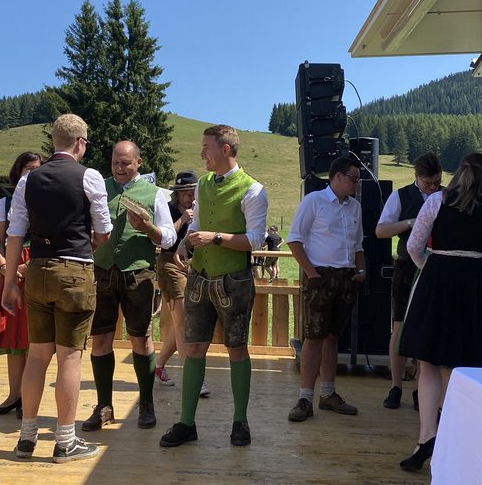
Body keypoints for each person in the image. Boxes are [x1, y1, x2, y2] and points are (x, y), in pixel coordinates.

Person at [2, 114, 112, 462]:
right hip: (75, 271)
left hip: (37, 270)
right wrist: (91, 240)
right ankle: (65, 441)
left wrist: (9, 283)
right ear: (79, 142)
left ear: (54, 141)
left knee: (37, 355)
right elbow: (104, 231)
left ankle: (26, 438)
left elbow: (15, 234)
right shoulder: (89, 176)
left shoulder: (28, 180)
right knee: (69, 357)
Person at [159, 124, 268, 448]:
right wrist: (184, 245)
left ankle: (240, 422)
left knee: (237, 349)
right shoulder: (204, 184)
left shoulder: (253, 190)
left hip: (234, 281)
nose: (201, 153)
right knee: (193, 348)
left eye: (206, 147)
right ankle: (186, 423)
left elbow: (255, 240)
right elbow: (197, 223)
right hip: (199, 278)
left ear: (225, 149)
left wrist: (215, 238)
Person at [82, 140, 176, 433]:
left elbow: (169, 237)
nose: (119, 168)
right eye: (115, 163)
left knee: (141, 339)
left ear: (138, 162)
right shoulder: (98, 189)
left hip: (138, 274)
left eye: (125, 163)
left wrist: (148, 228)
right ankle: (104, 406)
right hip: (102, 272)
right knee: (100, 340)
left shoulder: (154, 194)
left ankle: (146, 404)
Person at [398, 152, 482, 471]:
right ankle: (462, 441)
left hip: (437, 282)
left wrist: (431, 270)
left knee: (429, 362)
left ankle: (426, 437)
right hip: (475, 286)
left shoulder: (436, 201)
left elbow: (413, 246)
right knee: (467, 366)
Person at [286, 157, 365, 423]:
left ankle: (328, 394)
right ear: (338, 176)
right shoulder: (314, 201)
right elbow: (294, 240)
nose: (356, 184)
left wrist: (361, 272)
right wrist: (312, 274)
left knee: (332, 337)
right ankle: (305, 398)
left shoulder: (355, 207)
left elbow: (358, 245)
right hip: (321, 276)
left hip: (346, 279)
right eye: (354, 178)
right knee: (313, 337)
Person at [375, 152, 442, 409]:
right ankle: (396, 386)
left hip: (434, 268)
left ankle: (419, 389)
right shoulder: (401, 196)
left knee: (427, 328)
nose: (433, 187)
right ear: (416, 176)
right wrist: (409, 222)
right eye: (428, 183)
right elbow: (381, 231)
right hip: (406, 266)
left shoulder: (446, 196)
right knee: (400, 327)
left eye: (437, 183)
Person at [0, 151, 42, 416]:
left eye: (37, 168)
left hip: (37, 265)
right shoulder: (5, 202)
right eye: (28, 168)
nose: (32, 173)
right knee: (12, 336)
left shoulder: (48, 199)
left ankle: (28, 399)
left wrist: (28, 267)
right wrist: (6, 268)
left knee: (32, 336)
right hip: (9, 266)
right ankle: (14, 396)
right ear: (18, 171)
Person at [155, 170, 209, 396]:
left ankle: (158, 366)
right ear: (177, 194)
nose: (190, 197)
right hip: (169, 263)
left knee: (181, 323)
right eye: (186, 193)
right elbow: (163, 239)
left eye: (193, 193)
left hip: (191, 265)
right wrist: (184, 219)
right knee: (183, 321)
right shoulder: (167, 210)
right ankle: (193, 378)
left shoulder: (200, 210)